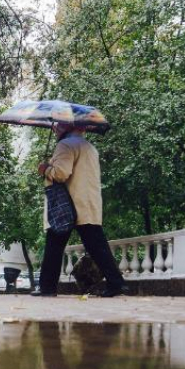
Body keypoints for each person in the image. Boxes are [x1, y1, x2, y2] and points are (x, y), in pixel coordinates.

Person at [33, 122, 127, 297]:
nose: (55, 129)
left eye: (59, 126)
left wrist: (45, 169)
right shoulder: (90, 147)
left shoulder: (65, 145)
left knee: (54, 246)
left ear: (69, 127)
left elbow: (60, 174)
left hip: (66, 205)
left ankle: (47, 288)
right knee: (98, 247)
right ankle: (117, 283)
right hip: (88, 204)